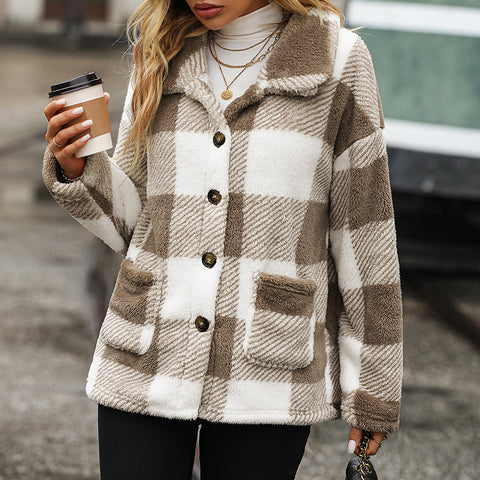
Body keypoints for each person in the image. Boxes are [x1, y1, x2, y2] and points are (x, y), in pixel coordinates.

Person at [43, 1, 403, 478]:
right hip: (144, 354)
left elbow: (365, 235)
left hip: (268, 368)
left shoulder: (337, 59)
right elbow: (138, 226)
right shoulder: (161, 52)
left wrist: (373, 388)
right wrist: (79, 169)